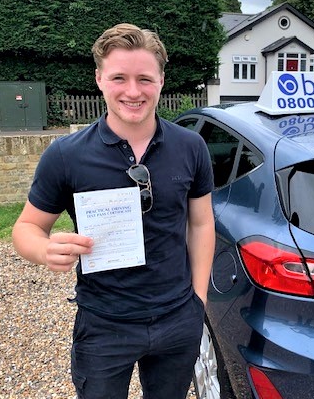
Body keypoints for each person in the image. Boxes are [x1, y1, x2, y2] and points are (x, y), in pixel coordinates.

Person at [12, 23, 216, 399]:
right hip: (105, 324)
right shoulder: (66, 155)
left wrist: (198, 300)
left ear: (161, 80)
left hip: (177, 318)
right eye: (119, 77)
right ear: (100, 79)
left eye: (145, 78)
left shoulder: (191, 147)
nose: (133, 91)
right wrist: (44, 249)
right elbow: (26, 227)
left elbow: (201, 223)